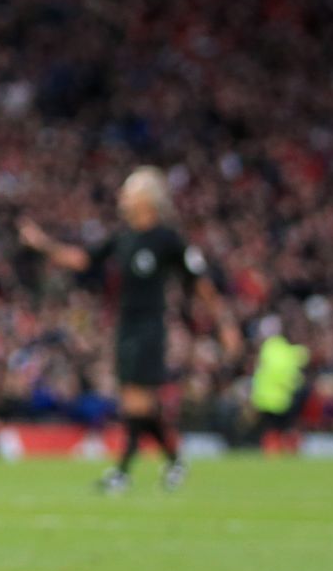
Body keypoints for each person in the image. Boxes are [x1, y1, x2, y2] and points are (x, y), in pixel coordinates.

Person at [20, 167, 216, 493]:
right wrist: (43, 244)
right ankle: (174, 461)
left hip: (151, 326)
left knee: (136, 403)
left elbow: (198, 280)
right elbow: (82, 259)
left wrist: (222, 323)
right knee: (137, 404)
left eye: (130, 190)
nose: (123, 197)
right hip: (126, 326)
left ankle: (123, 472)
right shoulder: (122, 238)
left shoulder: (167, 239)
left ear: (147, 199)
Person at [251, 320, 309, 455]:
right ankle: (284, 449)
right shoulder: (290, 353)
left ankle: (273, 450)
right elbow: (293, 375)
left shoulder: (269, 347)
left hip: (263, 397)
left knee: (271, 428)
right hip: (281, 398)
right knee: (283, 427)